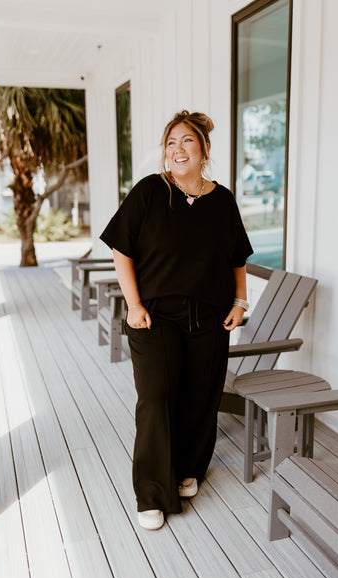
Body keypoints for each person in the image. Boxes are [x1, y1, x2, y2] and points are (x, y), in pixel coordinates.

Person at [100, 110, 253, 530]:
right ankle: (150, 493)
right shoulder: (151, 191)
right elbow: (121, 251)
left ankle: (188, 469)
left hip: (209, 315)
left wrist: (240, 301)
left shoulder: (222, 200)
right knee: (155, 398)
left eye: (186, 141)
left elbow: (236, 257)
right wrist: (132, 304)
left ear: (204, 150)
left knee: (200, 395)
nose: (177, 149)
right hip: (154, 315)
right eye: (171, 143)